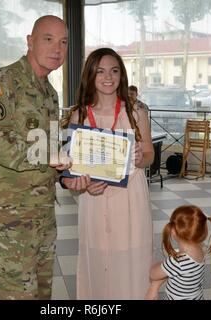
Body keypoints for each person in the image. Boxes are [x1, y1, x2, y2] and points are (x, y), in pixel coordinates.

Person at [0, 15, 70, 300]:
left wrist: (72, 176)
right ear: (30, 41)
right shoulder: (2, 82)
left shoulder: (50, 94)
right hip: (10, 224)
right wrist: (48, 157)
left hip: (42, 218)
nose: (57, 48)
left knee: (42, 295)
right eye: (48, 39)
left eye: (64, 42)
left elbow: (53, 154)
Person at [60, 47, 155, 299]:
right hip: (94, 198)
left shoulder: (136, 111)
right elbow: (73, 166)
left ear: (121, 75)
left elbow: (149, 156)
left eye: (114, 71)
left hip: (130, 196)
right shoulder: (78, 114)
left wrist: (140, 157)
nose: (108, 77)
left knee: (131, 261)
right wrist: (82, 184)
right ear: (90, 76)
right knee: (97, 260)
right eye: (100, 71)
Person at [145, 205, 211, 300]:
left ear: (173, 231)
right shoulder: (201, 249)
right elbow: (170, 272)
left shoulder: (178, 262)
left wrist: (163, 263)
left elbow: (153, 274)